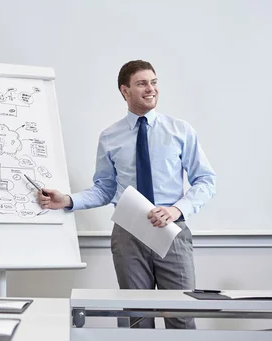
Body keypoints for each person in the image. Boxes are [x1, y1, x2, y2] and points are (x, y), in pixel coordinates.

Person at [39, 60, 216, 329]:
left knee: (180, 316)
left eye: (154, 82)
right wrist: (68, 200)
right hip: (128, 235)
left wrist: (176, 210)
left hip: (172, 232)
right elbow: (105, 189)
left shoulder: (180, 131)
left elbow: (205, 180)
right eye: (142, 83)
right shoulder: (110, 136)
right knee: (136, 318)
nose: (151, 89)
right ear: (125, 91)